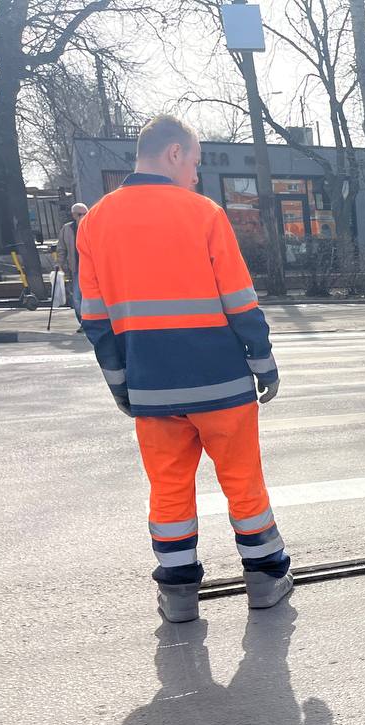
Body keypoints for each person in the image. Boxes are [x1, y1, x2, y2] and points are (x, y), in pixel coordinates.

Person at [77, 114, 292, 623]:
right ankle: (265, 580)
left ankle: (177, 596)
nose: (196, 175)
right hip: (221, 385)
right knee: (243, 482)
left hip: (152, 390)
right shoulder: (204, 214)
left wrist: (121, 386)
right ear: (174, 154)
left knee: (169, 489)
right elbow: (241, 302)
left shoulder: (95, 223)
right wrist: (264, 364)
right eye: (194, 163)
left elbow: (95, 320)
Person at [55, 202, 88, 331]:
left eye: (85, 214)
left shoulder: (92, 225)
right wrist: (59, 263)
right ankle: (83, 323)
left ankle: (91, 322)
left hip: (93, 270)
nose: (83, 216)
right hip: (77, 269)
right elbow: (62, 249)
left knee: (90, 298)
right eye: (81, 214)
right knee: (77, 298)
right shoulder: (67, 229)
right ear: (74, 215)